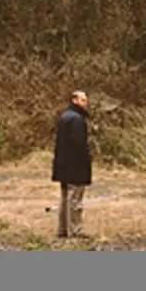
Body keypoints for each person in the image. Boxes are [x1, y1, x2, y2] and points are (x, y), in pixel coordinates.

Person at [52, 89, 92, 238]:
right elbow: (79, 143)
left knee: (65, 198)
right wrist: (87, 157)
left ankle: (62, 229)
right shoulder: (77, 120)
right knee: (75, 198)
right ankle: (75, 230)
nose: (85, 103)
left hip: (63, 164)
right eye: (82, 100)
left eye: (86, 100)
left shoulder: (64, 117)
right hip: (75, 165)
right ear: (74, 100)